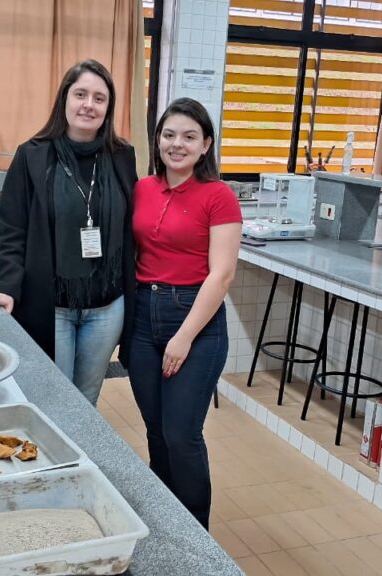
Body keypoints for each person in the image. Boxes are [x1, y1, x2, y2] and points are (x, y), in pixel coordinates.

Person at [0, 60, 138, 406]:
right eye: (80, 94)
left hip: (107, 307)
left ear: (108, 108)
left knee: (86, 401)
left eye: (99, 98)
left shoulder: (122, 157)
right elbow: (12, 229)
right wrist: (6, 286)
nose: (88, 105)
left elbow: (131, 227)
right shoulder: (33, 156)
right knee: (52, 400)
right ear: (65, 98)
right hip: (53, 305)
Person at [129, 97, 241, 529]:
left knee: (181, 436)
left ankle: (197, 540)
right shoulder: (143, 188)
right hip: (143, 316)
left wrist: (183, 337)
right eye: (169, 134)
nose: (177, 144)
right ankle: (165, 525)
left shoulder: (219, 196)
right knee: (157, 433)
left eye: (189, 136)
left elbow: (222, 275)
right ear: (157, 140)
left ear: (206, 144)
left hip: (195, 320)